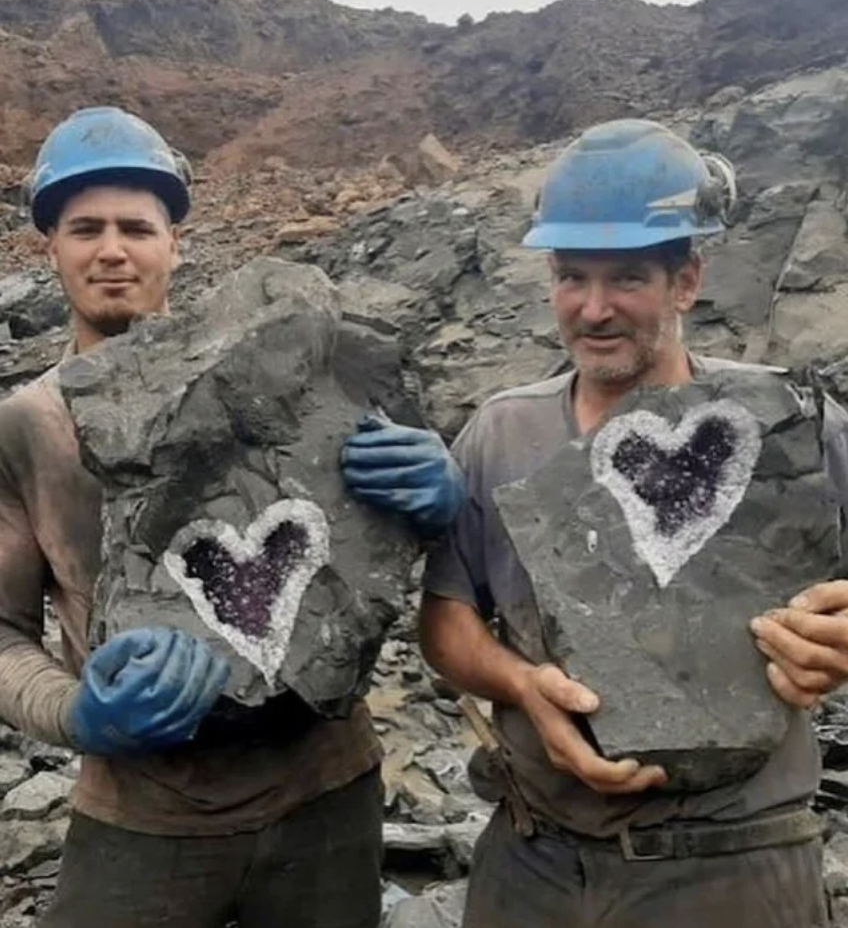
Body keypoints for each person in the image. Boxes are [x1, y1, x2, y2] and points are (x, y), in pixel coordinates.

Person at [0, 106, 464, 928]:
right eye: (85, 228)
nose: (112, 250)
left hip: (325, 789)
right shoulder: (27, 428)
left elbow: (378, 568)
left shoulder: (288, 378)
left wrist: (445, 504)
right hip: (142, 811)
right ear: (51, 248)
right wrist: (75, 713)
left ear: (176, 241)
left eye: (137, 227)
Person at [419, 118, 848, 928]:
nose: (593, 308)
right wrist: (519, 684)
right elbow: (445, 617)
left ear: (686, 280)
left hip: (740, 861)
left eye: (627, 278)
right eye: (570, 275)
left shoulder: (792, 425)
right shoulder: (502, 434)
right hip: (534, 856)